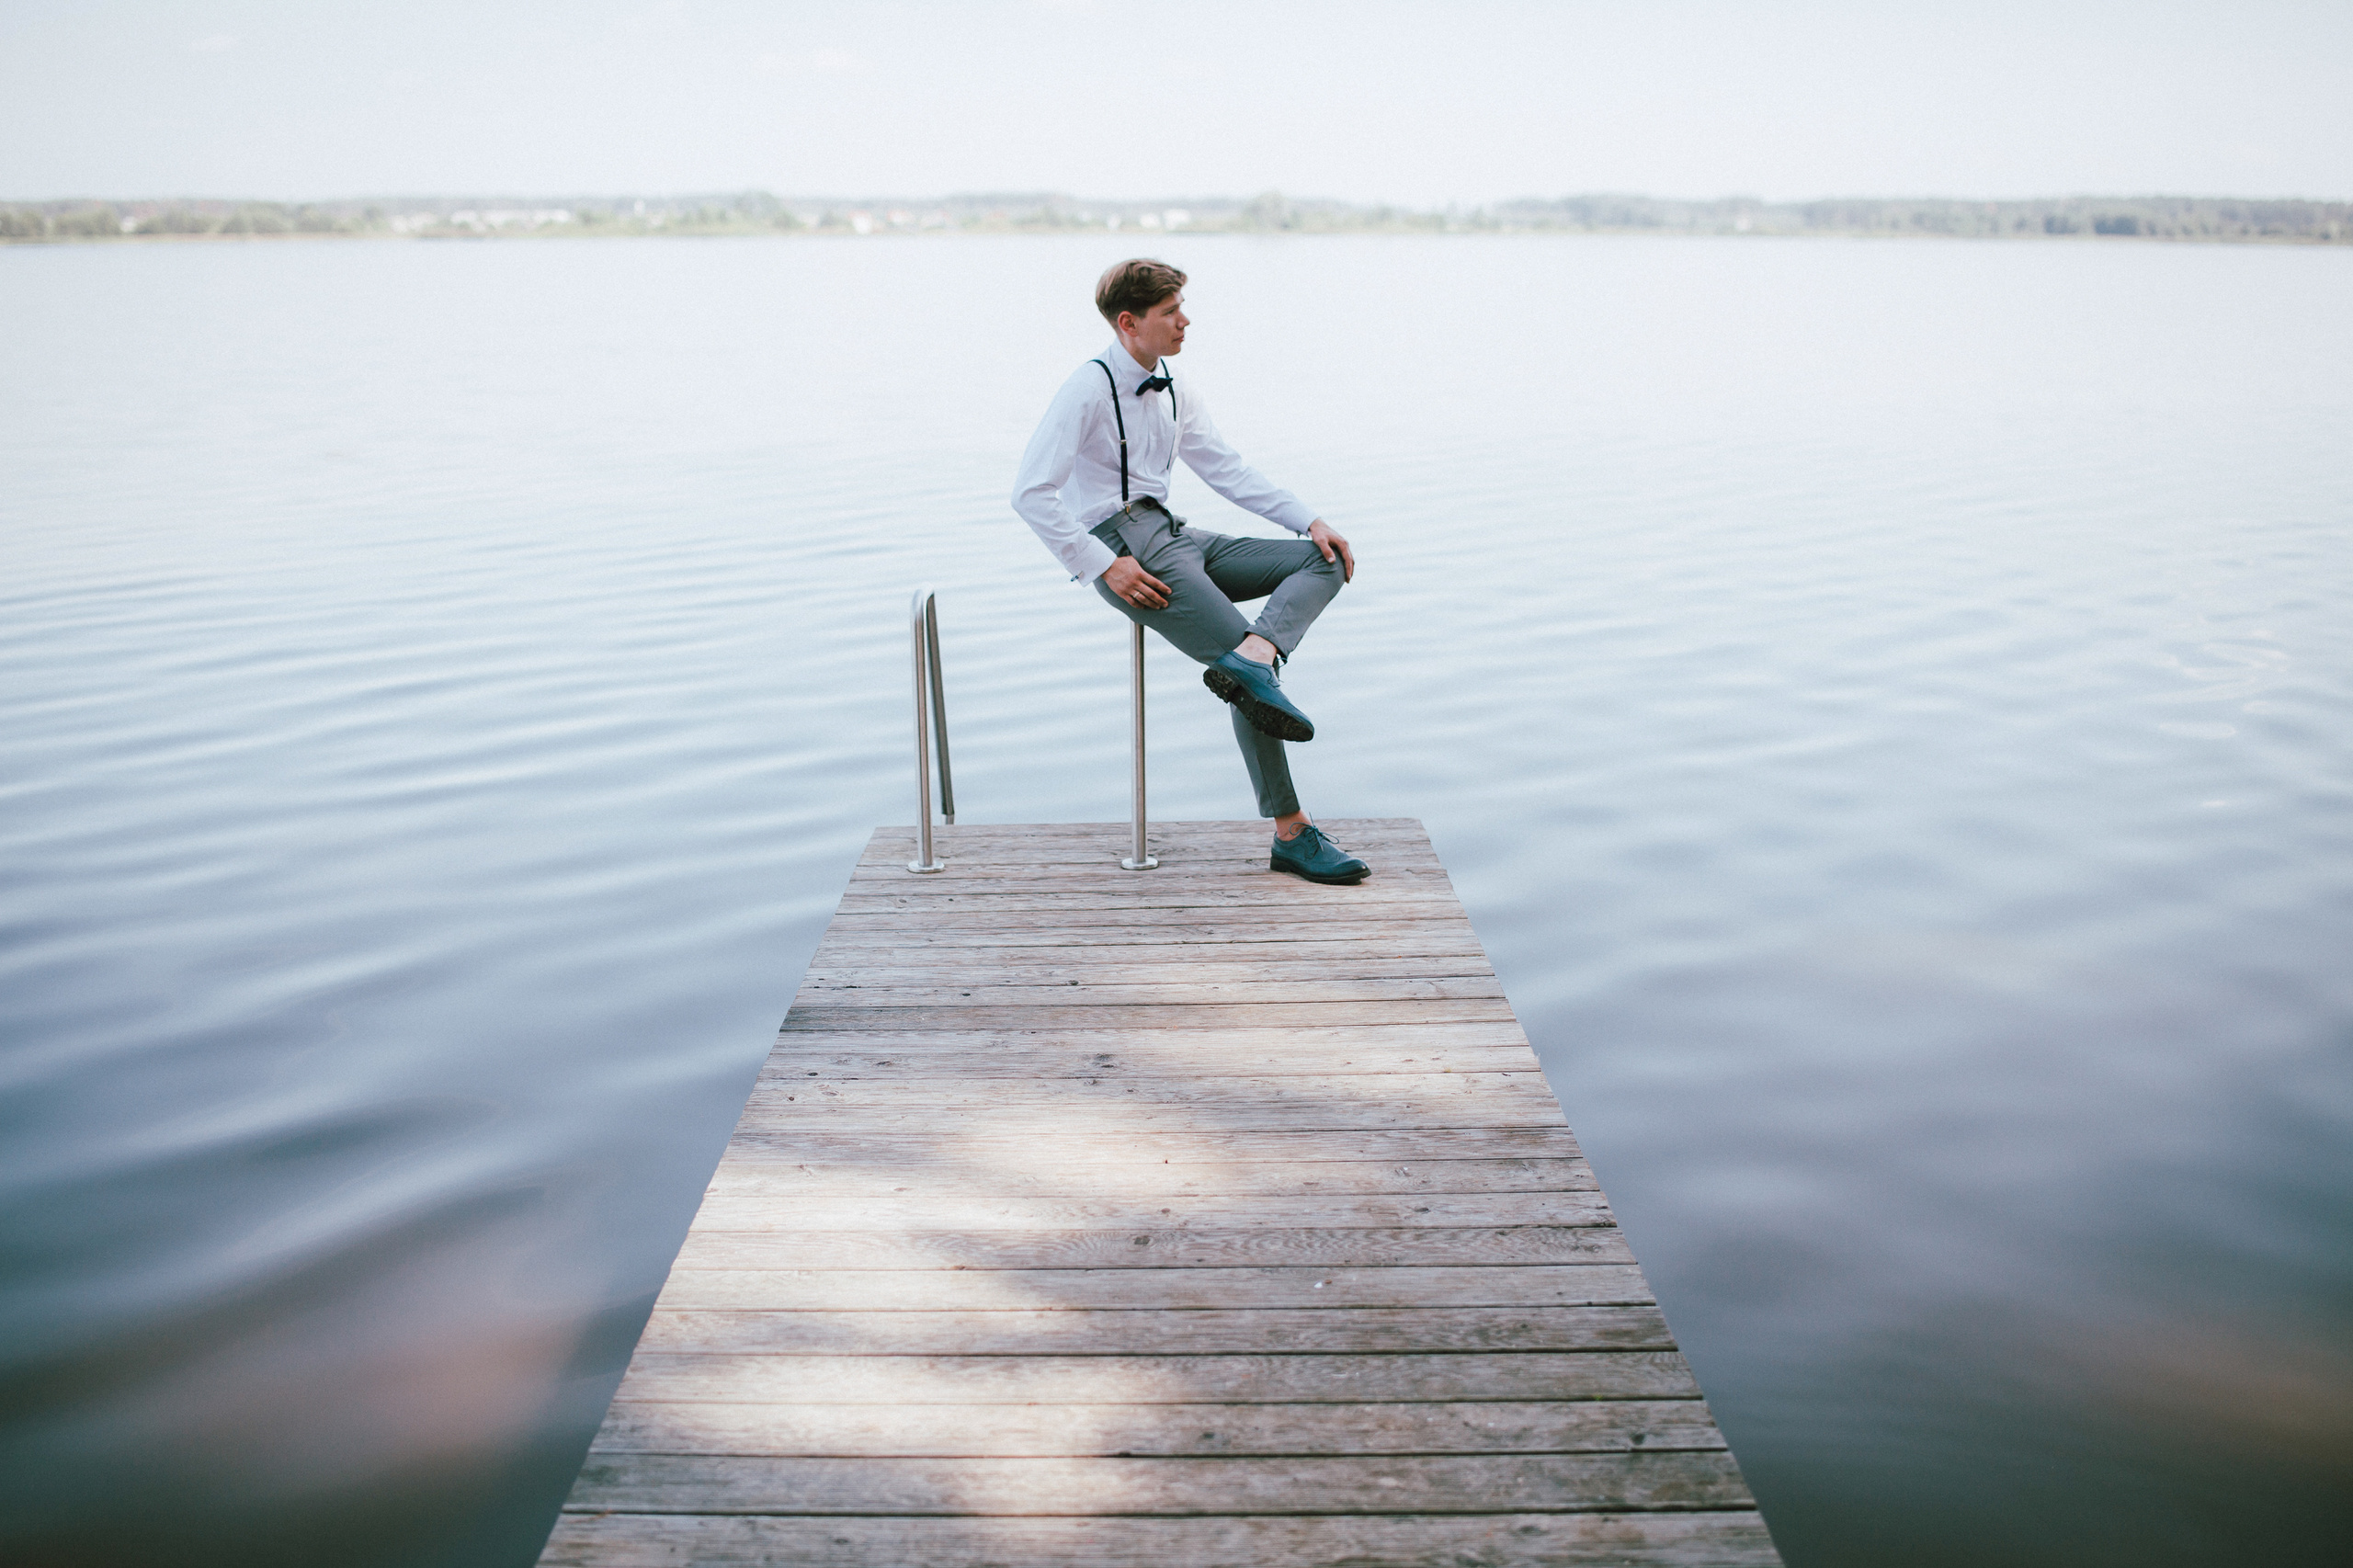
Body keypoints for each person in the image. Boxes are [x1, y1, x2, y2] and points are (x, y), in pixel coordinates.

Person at [1011, 257, 1370, 884]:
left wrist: (1309, 519)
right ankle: (1292, 833)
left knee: (1324, 562)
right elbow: (1031, 492)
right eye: (1170, 312)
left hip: (1175, 533)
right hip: (1127, 545)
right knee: (1246, 678)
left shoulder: (1172, 387)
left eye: (1182, 307)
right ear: (1129, 323)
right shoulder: (1087, 389)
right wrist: (1101, 566)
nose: (1185, 321)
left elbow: (1227, 469)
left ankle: (1257, 655)